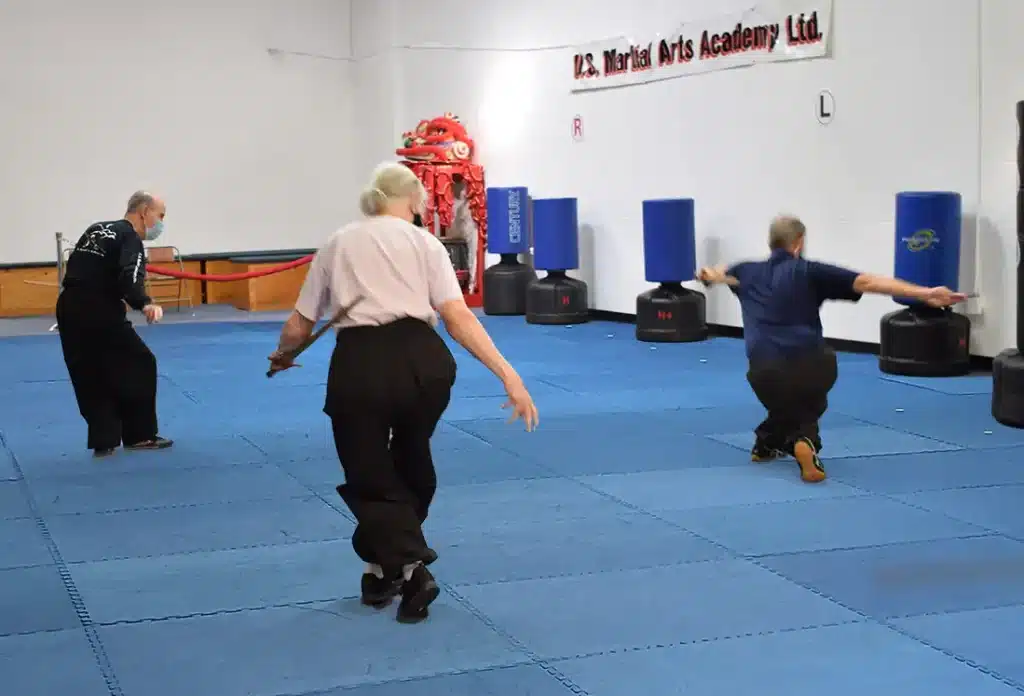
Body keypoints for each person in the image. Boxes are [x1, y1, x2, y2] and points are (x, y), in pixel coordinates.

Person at [268, 161, 539, 624]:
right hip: (426, 363)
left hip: (362, 363)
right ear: (413, 200)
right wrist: (508, 375)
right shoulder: (426, 243)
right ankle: (379, 572)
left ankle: (413, 571)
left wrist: (282, 354)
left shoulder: (339, 242)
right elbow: (458, 318)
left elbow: (299, 324)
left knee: (370, 473)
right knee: (412, 460)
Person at [697, 214, 966, 484]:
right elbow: (868, 282)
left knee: (786, 401)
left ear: (771, 242)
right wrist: (926, 293)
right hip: (810, 365)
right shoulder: (809, 271)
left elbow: (715, 276)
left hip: (762, 372)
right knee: (812, 393)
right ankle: (804, 441)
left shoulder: (744, 271)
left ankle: (767, 444)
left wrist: (709, 274)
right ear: (799, 243)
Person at [56, 191, 174, 457]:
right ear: (144, 212)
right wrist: (144, 302)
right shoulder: (130, 237)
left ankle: (103, 439)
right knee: (140, 363)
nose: (162, 222)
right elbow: (129, 273)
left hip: (69, 306)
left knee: (89, 371)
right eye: (161, 215)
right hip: (98, 308)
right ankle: (140, 435)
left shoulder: (97, 229)